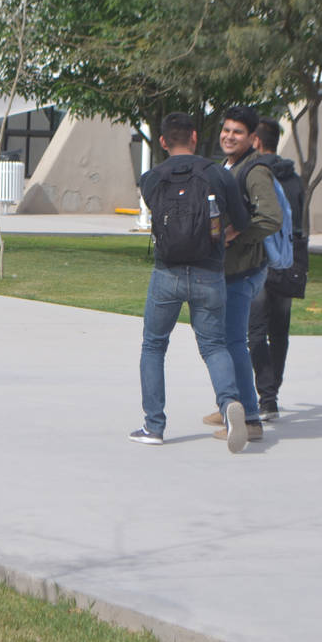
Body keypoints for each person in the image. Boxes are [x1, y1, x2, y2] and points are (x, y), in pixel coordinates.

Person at [131, 112, 253, 453]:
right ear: (196, 138)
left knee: (154, 346)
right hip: (209, 272)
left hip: (166, 273)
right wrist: (222, 238)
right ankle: (229, 404)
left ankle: (153, 426)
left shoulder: (150, 178)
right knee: (214, 346)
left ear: (163, 141)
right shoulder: (218, 173)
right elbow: (243, 220)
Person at [202, 106, 281, 444]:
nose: (229, 136)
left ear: (252, 138)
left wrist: (236, 235)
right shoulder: (229, 165)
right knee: (224, 340)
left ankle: (249, 419)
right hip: (228, 269)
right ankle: (228, 405)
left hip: (243, 270)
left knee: (233, 342)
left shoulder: (255, 170)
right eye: (226, 130)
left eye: (237, 132)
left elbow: (271, 218)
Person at [247, 117, 305, 421]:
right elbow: (301, 225)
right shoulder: (293, 178)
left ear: (256, 140)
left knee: (255, 331)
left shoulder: (257, 175)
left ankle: (266, 396)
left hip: (260, 260)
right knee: (279, 330)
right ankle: (273, 393)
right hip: (289, 261)